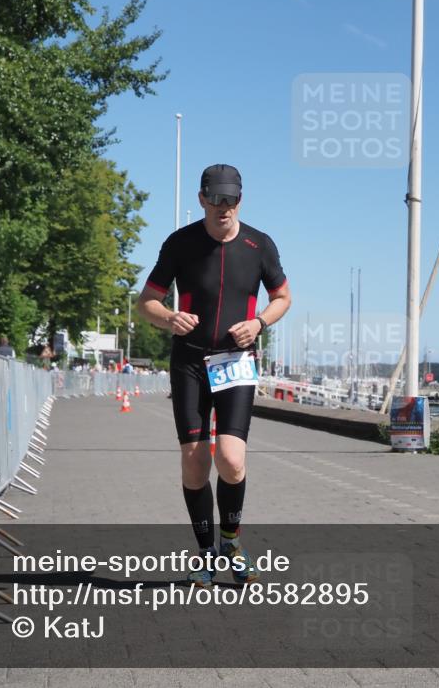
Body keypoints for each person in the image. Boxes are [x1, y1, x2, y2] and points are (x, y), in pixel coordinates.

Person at [138, 164, 291, 587]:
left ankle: (232, 542)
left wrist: (259, 323)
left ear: (241, 199)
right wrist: (169, 318)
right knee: (194, 463)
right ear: (202, 198)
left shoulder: (259, 244)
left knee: (231, 460)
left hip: (235, 361)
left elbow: (282, 297)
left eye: (232, 199)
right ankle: (206, 552)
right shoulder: (180, 243)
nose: (225, 207)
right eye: (217, 199)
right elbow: (146, 301)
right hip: (189, 362)